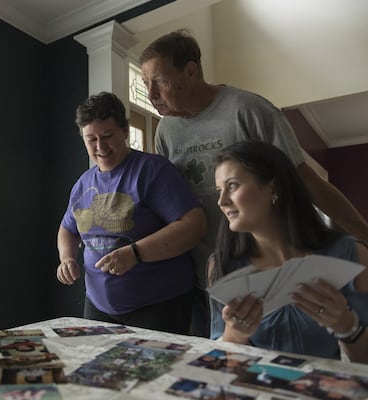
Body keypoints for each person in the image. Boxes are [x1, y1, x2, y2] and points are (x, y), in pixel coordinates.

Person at [139, 29, 368, 338]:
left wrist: (362, 234)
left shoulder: (248, 110)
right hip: (198, 276)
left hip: (258, 273)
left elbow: (304, 179)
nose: (151, 94)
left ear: (191, 71)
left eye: (160, 81)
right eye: (145, 84)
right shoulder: (166, 131)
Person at [56, 91, 206, 333]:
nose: (100, 146)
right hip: (97, 306)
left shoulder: (152, 170)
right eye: (90, 139)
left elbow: (194, 225)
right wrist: (67, 258)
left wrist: (136, 253)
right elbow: (67, 228)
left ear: (125, 130)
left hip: (158, 305)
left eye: (107, 136)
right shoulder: (83, 183)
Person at [209, 141, 368, 363]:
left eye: (232, 186)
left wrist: (347, 326)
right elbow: (220, 366)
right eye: (219, 190)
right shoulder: (222, 265)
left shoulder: (351, 254)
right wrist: (235, 335)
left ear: (273, 188)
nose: (221, 201)